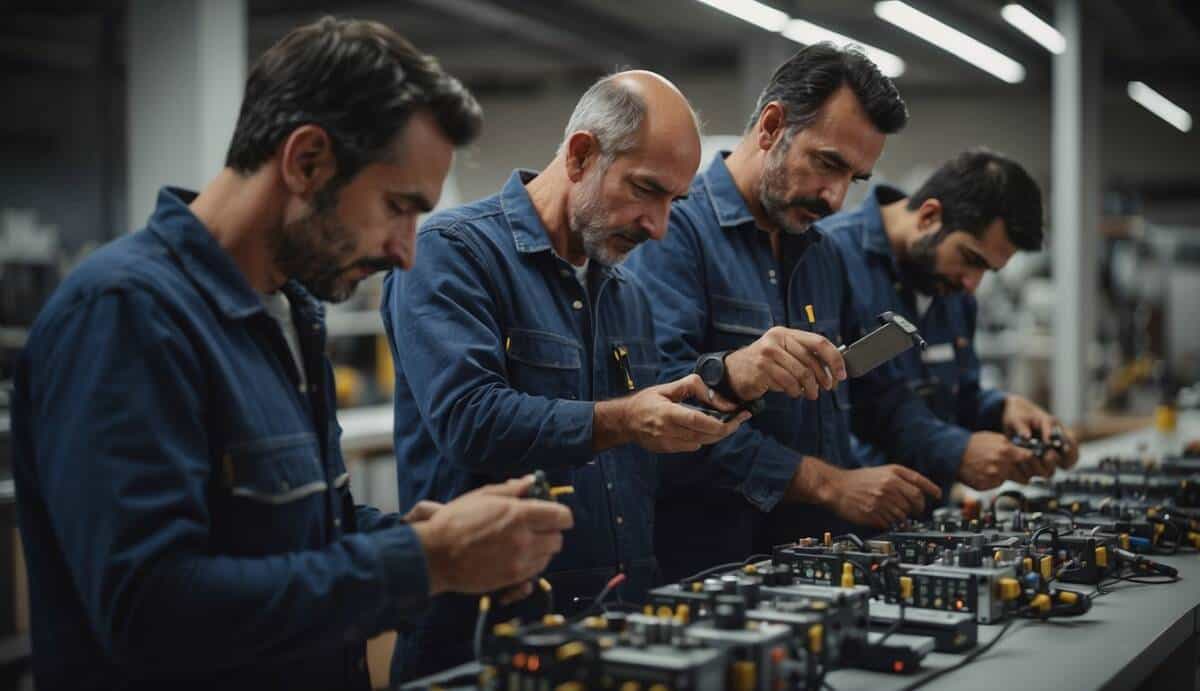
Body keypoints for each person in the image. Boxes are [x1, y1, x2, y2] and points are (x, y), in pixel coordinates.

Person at [10, 17, 572, 691]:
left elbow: (287, 533)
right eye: (398, 206)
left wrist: (431, 535)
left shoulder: (292, 311)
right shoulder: (125, 313)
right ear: (306, 161)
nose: (407, 249)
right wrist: (422, 561)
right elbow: (149, 611)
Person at [381, 70, 748, 680]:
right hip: (486, 633)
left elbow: (636, 463)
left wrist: (714, 405)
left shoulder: (626, 290)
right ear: (580, 154)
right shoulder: (452, 252)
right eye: (645, 190)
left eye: (673, 203)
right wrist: (627, 418)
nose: (657, 225)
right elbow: (471, 421)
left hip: (617, 621)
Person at [624, 43, 1039, 581]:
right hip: (714, 566)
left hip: (817, 559)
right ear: (772, 126)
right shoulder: (674, 236)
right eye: (828, 164)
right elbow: (665, 420)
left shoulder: (821, 253)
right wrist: (829, 484)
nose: (836, 198)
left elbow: (873, 393)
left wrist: (954, 448)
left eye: (854, 179)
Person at [823, 148, 1079, 483]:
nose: (973, 284)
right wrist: (956, 451)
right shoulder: (831, 255)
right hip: (844, 522)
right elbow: (863, 402)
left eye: (988, 269)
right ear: (929, 215)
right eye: (971, 258)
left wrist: (1002, 410)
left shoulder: (952, 288)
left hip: (926, 521)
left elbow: (958, 396)